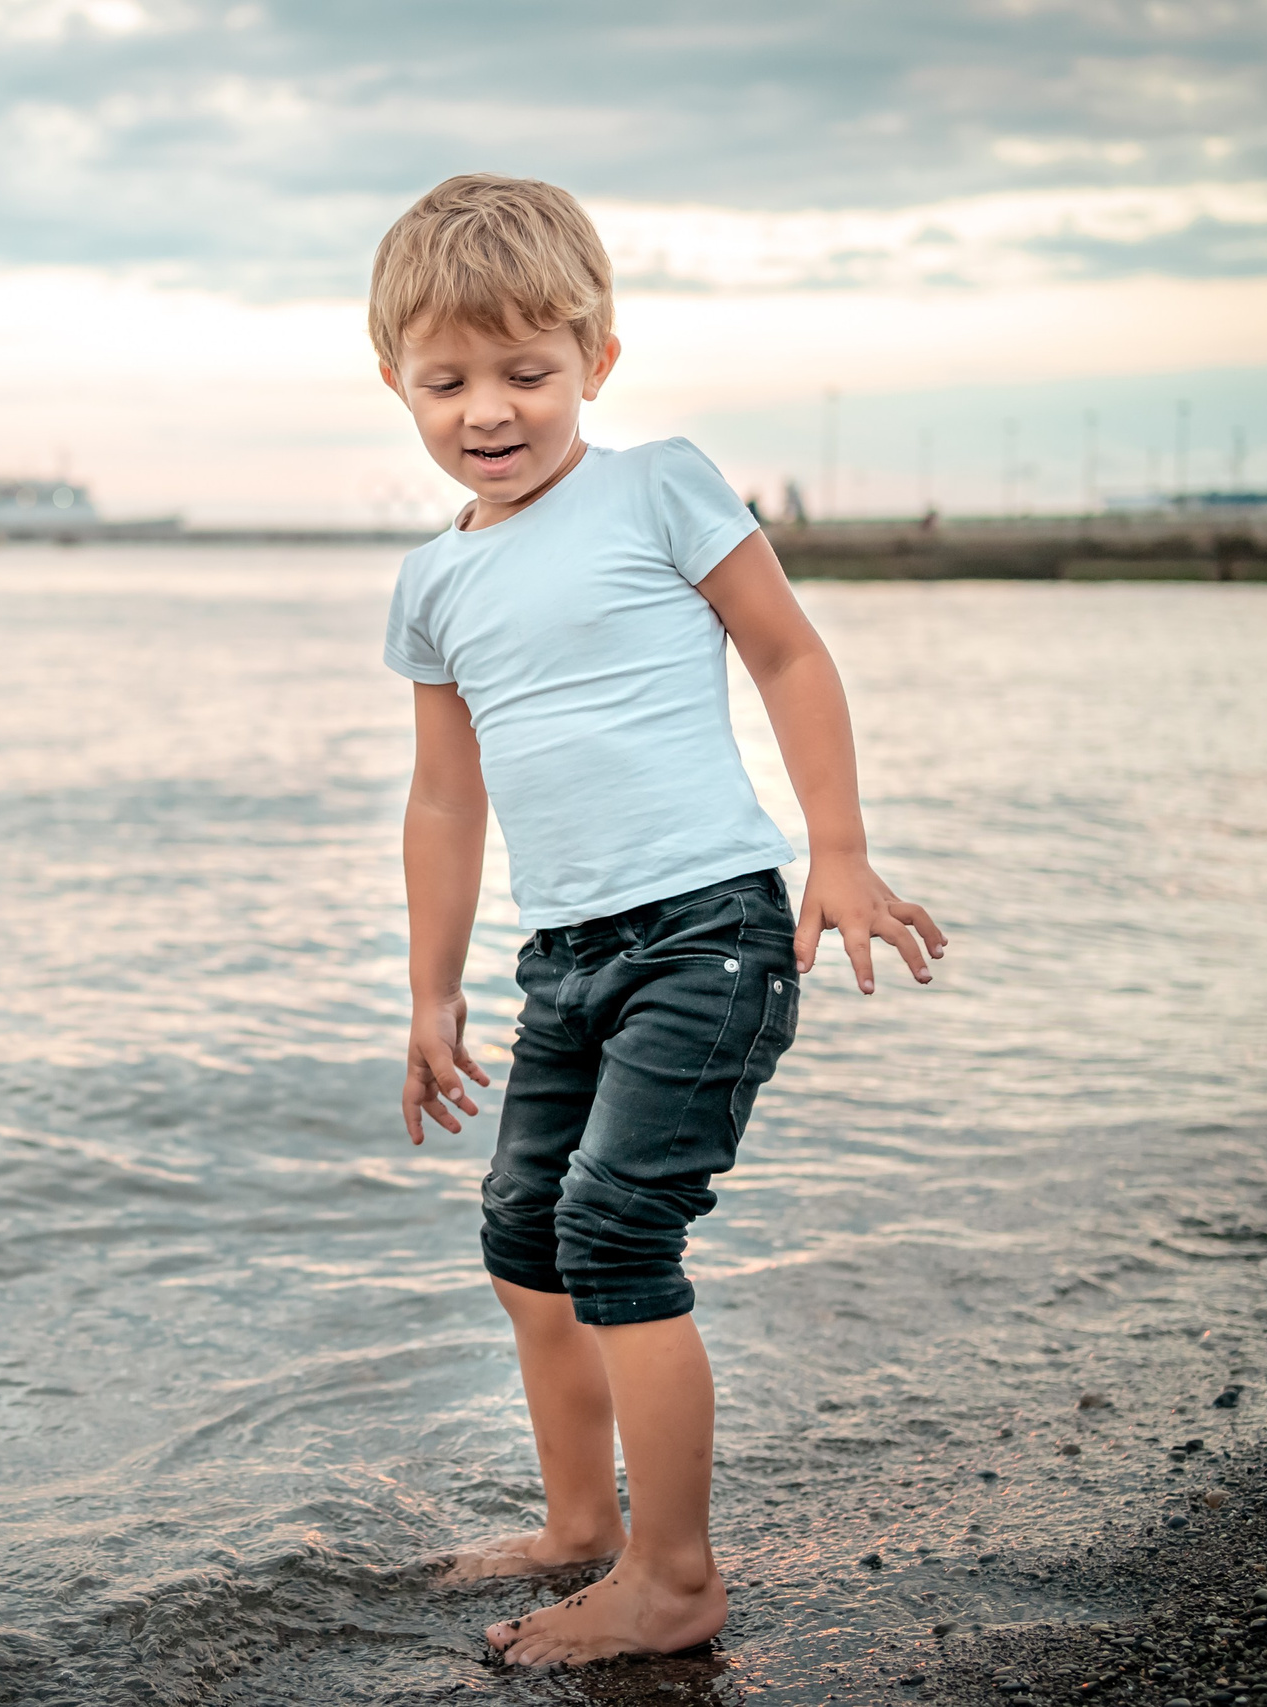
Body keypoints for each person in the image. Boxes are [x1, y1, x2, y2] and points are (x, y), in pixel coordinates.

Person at [371, 175, 946, 1666]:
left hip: (710, 933)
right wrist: (433, 995)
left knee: (619, 1228)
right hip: (565, 958)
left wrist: (840, 850)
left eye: (526, 373)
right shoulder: (435, 581)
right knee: (522, 1237)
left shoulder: (658, 485)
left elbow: (789, 655)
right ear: (396, 384)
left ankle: (673, 1580)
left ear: (597, 363)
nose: (488, 409)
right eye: (447, 380)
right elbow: (447, 800)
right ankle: (581, 1530)